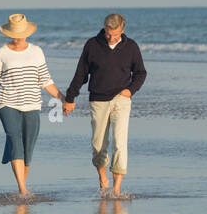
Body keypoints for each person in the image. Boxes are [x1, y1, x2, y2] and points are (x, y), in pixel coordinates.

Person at [0, 14, 67, 196]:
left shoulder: (37, 51)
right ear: (10, 33)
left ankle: (22, 185)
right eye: (15, 33)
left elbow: (45, 80)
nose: (19, 36)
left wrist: (63, 98)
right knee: (15, 142)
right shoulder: (2, 53)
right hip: (7, 104)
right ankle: (22, 190)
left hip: (32, 105)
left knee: (28, 150)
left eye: (22, 32)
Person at [62, 13, 147, 198]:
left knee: (120, 142)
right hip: (98, 100)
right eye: (109, 34)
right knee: (99, 144)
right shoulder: (92, 45)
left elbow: (140, 73)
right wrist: (70, 98)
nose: (111, 38)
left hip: (121, 99)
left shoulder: (131, 46)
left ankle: (116, 189)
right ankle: (102, 178)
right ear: (104, 28)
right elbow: (81, 74)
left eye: (115, 34)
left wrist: (130, 90)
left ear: (122, 30)